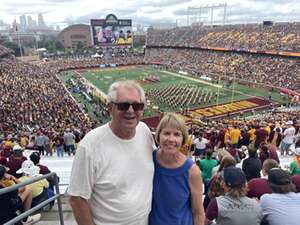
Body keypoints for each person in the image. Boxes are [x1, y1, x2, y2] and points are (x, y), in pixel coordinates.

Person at [68, 80, 154, 225]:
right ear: (110, 108)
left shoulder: (144, 130)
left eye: (137, 105)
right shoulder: (90, 145)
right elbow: (77, 199)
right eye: (123, 105)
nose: (131, 111)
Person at [149, 113, 205, 225]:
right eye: (166, 133)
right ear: (158, 135)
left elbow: (198, 213)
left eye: (177, 134)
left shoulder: (192, 171)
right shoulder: (149, 159)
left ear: (183, 138)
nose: (171, 139)